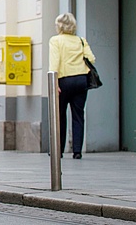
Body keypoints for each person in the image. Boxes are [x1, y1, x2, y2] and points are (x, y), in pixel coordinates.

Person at [49, 12, 95, 160]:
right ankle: (77, 151)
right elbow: (91, 59)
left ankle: (59, 149)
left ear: (59, 26)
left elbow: (54, 62)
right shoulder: (81, 40)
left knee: (60, 115)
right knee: (78, 115)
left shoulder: (55, 41)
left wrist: (54, 82)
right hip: (81, 80)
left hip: (64, 80)